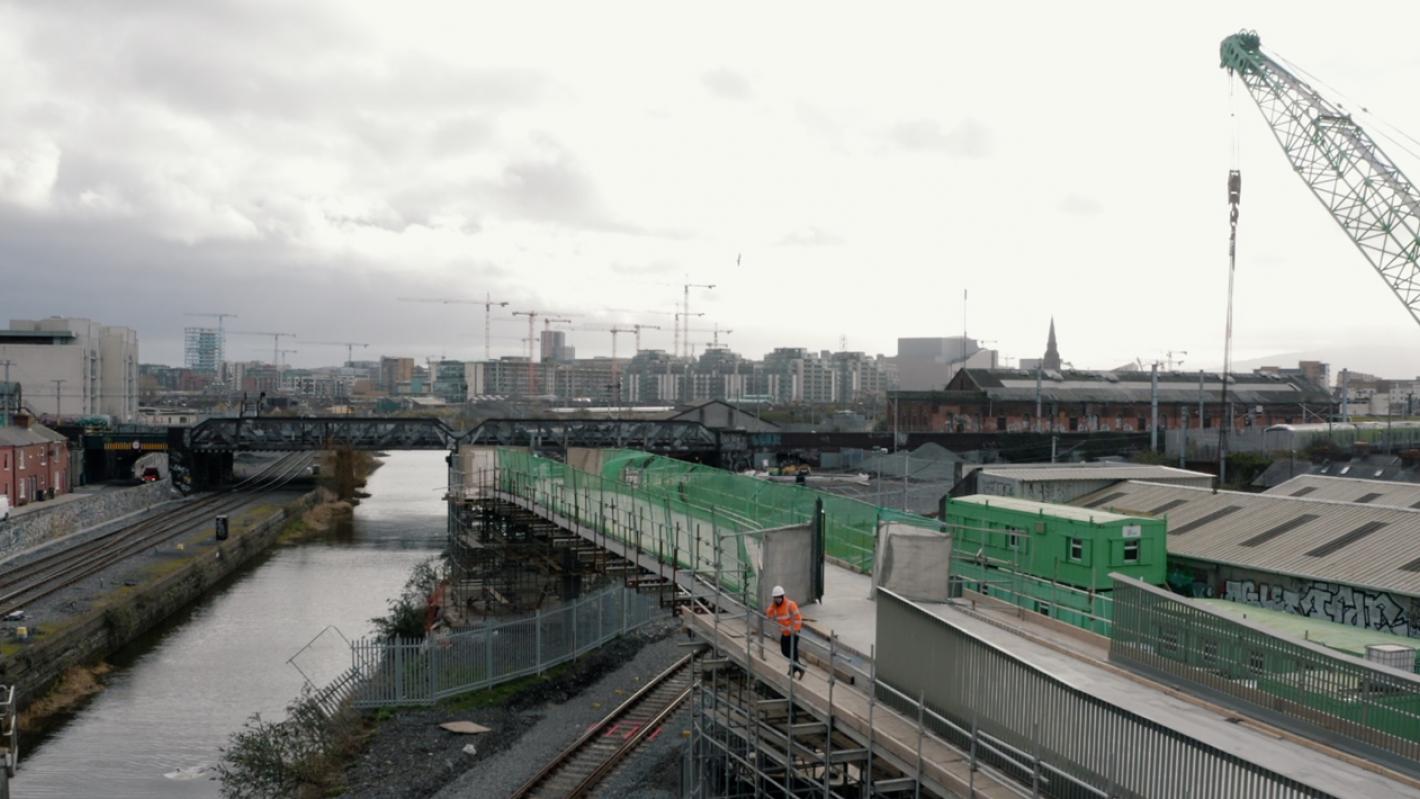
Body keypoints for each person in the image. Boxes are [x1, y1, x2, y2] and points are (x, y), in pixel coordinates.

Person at [766, 584, 805, 679]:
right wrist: (772, 605)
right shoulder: (775, 606)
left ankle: (795, 669)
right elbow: (769, 615)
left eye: (779, 597)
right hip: (785, 633)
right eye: (775, 598)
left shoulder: (790, 604)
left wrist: (794, 629)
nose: (777, 599)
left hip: (793, 633)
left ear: (782, 596)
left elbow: (798, 618)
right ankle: (798, 667)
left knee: (793, 652)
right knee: (784, 651)